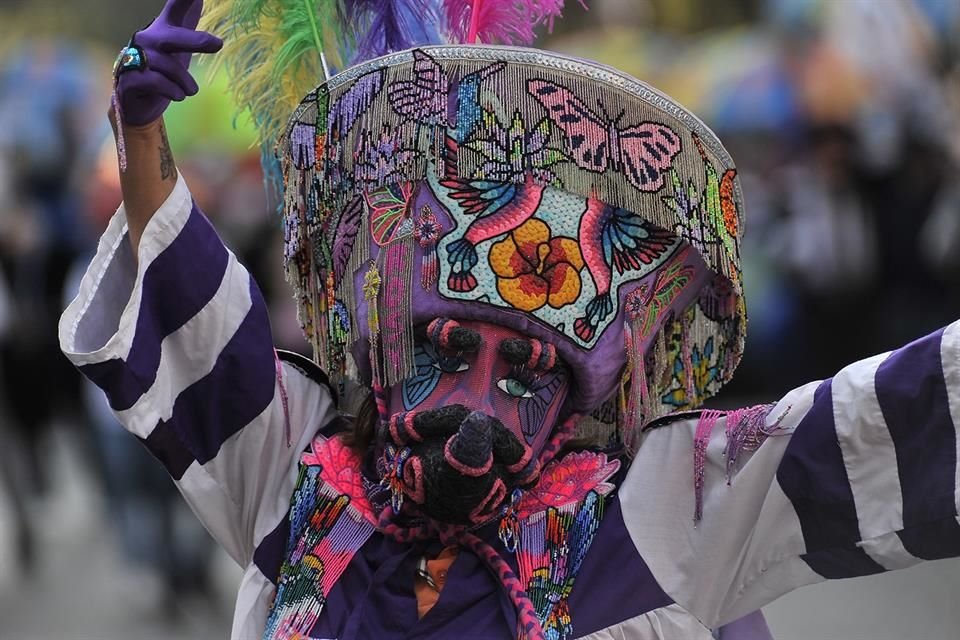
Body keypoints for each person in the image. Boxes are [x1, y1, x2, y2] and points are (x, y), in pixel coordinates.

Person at [59, 1, 959, 639]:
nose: (477, 404)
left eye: (525, 373)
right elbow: (200, 313)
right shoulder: (292, 475)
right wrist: (140, 131)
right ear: (385, 354)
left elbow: (883, 423)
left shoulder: (649, 516)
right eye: (446, 353)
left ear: (574, 397)